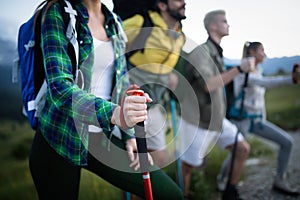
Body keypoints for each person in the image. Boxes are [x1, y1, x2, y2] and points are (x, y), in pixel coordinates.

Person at [28, 0, 184, 199]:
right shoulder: (58, 12)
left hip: (100, 136)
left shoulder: (115, 22)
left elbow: (122, 82)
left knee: (170, 195)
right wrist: (116, 114)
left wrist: (129, 134)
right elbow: (59, 87)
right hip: (59, 136)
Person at [177, 10, 251, 199]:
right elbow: (208, 85)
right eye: (224, 21)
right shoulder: (201, 52)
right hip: (198, 120)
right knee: (187, 167)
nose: (228, 24)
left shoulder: (216, 52)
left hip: (217, 118)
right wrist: (239, 69)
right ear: (212, 26)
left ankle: (230, 191)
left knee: (242, 148)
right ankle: (182, 195)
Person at [227, 41, 300, 195]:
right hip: (242, 121)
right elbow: (266, 83)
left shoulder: (258, 70)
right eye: (262, 50)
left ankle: (280, 180)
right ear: (252, 52)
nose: (264, 54)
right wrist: (291, 79)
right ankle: (223, 181)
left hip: (257, 121)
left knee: (287, 142)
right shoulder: (242, 71)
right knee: (237, 153)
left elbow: (260, 99)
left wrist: (263, 118)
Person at [122, 0, 186, 167]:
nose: (183, 2)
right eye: (177, 0)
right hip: (133, 99)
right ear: (162, 6)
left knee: (160, 157)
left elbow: (161, 63)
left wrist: (170, 74)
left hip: (155, 101)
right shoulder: (142, 22)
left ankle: (147, 193)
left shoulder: (180, 35)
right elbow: (111, 46)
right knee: (133, 157)